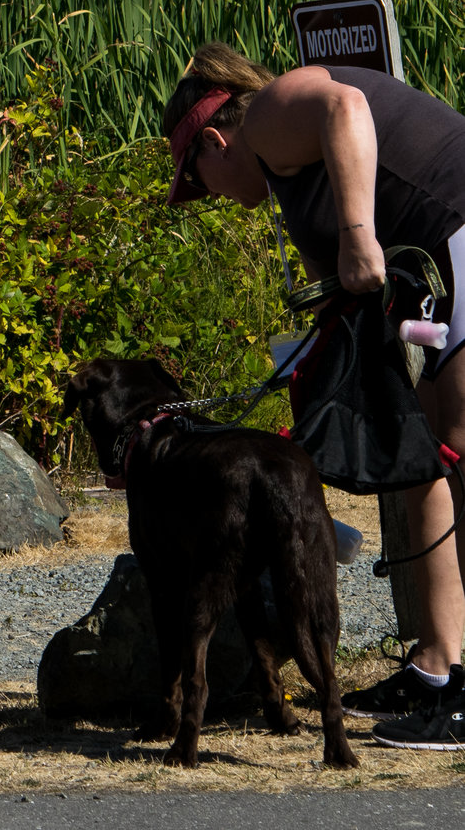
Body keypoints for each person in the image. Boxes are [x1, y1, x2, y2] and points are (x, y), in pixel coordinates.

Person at [159, 43, 465, 748]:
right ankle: (435, 664)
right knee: (424, 459)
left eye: (198, 179)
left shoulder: (271, 112)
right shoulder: (287, 173)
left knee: (457, 451)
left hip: (457, 226)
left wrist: (361, 235)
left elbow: (344, 106)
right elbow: (333, 285)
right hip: (442, 254)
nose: (210, 197)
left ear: (213, 139)